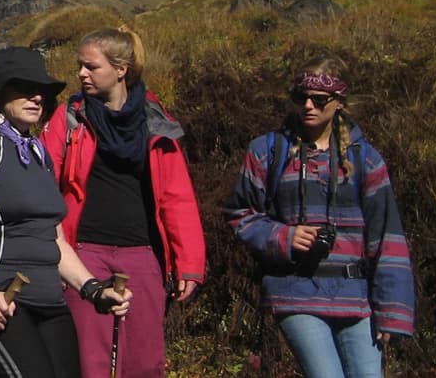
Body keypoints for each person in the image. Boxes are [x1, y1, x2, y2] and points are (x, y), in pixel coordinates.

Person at [0, 47, 131, 377]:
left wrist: (93, 288)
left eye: (42, 91)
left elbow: (54, 241)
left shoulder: (38, 154)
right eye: (23, 88)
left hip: (49, 301)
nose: (37, 96)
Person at [224, 56, 414, 377]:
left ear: (339, 103)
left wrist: (392, 311)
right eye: (301, 98)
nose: (308, 106)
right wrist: (284, 237)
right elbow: (240, 213)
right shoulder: (267, 151)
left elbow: (387, 236)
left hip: (357, 297)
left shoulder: (366, 160)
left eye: (319, 100)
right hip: (294, 291)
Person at [39, 28, 205, 377]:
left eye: (90, 66)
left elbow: (176, 196)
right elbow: (44, 182)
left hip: (142, 253)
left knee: (145, 362)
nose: (81, 74)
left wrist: (188, 262)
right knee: (88, 361)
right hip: (84, 251)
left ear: (121, 69)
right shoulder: (69, 118)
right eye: (79, 66)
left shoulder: (156, 120)